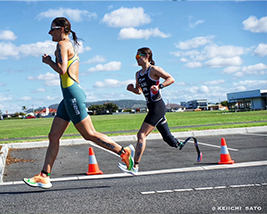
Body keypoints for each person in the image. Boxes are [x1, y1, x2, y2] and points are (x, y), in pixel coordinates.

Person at [23, 17, 134, 189]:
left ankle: (123, 152)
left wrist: (48, 62)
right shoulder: (68, 45)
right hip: (68, 96)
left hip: (72, 95)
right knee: (53, 136)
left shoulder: (62, 45)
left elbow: (62, 69)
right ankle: (44, 176)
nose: (49, 32)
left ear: (61, 29)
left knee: (89, 134)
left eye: (52, 28)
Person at [119, 47, 186, 174]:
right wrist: (132, 89)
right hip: (151, 107)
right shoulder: (138, 74)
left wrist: (160, 86)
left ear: (146, 56)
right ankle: (178, 144)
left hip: (158, 106)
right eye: (135, 57)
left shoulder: (154, 69)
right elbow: (139, 90)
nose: (136, 59)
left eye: (138, 56)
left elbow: (171, 78)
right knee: (167, 138)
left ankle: (135, 166)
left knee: (141, 135)